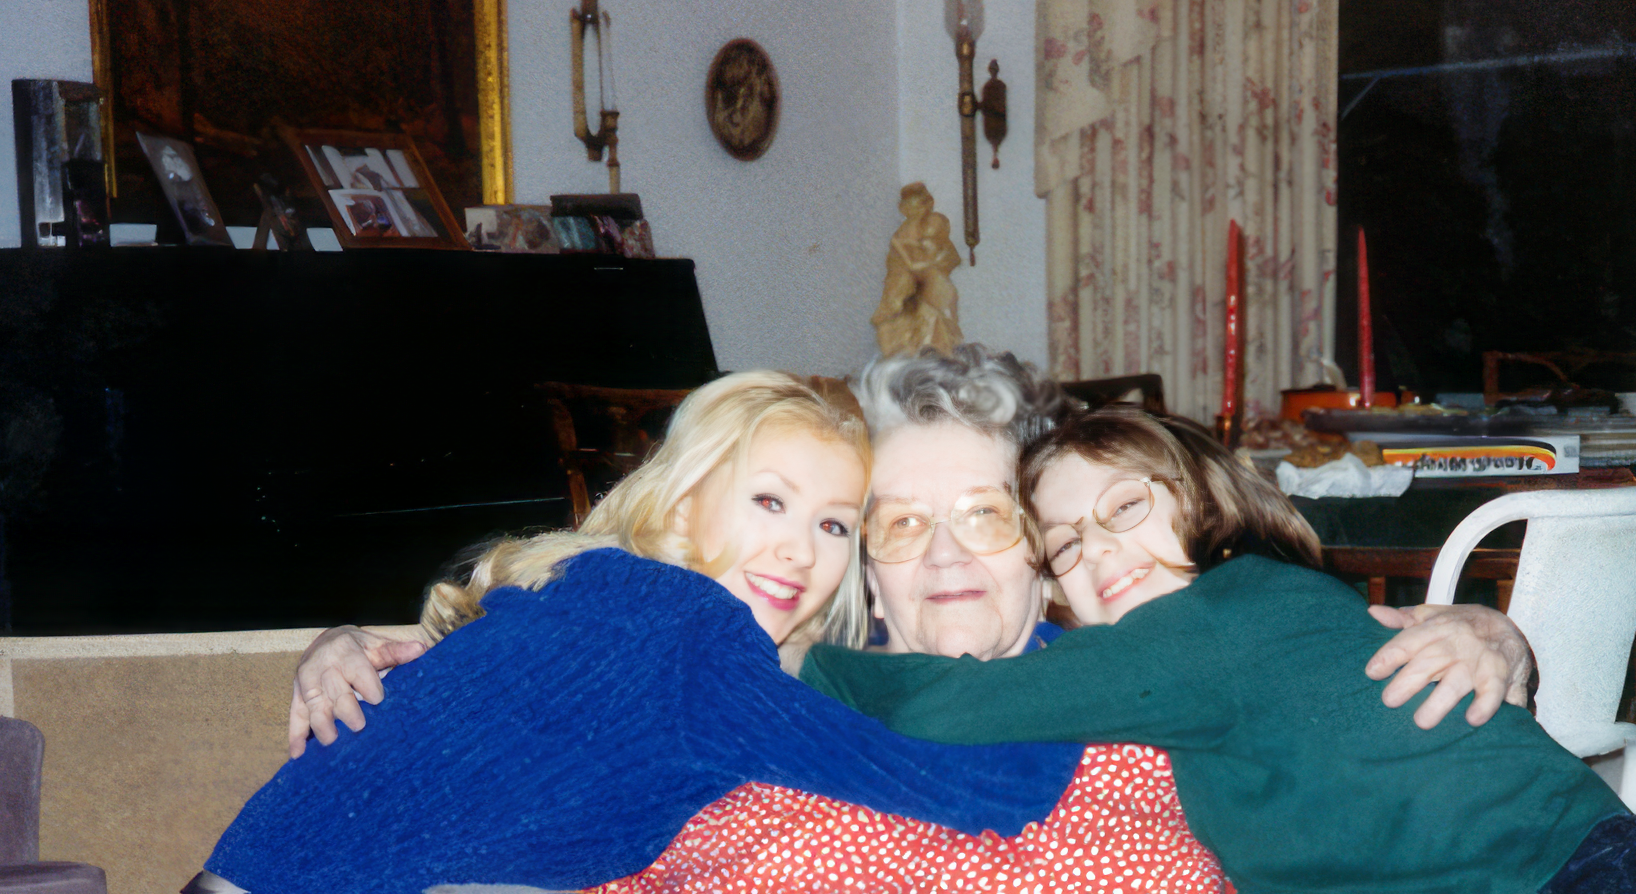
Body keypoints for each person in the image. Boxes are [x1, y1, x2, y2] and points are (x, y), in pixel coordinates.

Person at [285, 346, 1542, 891]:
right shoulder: (759, 681)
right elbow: (521, 725)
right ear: (857, 559)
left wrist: (1494, 637)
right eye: (892, 521)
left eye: (988, 516)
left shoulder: (1150, 664)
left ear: (1047, 555)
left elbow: (1348, 673)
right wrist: (389, 651)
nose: (942, 552)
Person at [196, 371, 1080, 894]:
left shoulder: (581, 584)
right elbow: (991, 793)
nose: (799, 550)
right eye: (769, 500)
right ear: (687, 498)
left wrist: (343, 637)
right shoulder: (694, 641)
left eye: (835, 525)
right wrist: (1076, 659)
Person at [801, 404, 1636, 894]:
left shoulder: (1207, 627)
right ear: (1052, 583)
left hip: (1580, 875)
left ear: (1202, 501)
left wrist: (798, 655)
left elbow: (943, 706)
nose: (1104, 551)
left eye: (1124, 509)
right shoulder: (1195, 652)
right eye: (1069, 543)